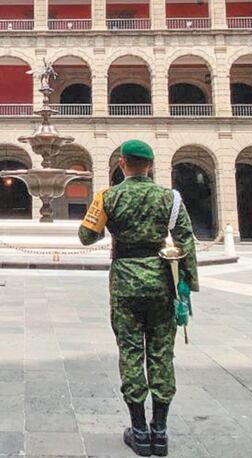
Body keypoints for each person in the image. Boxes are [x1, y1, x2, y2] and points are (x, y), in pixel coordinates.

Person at [78, 140, 199, 457]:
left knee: (131, 353)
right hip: (162, 282)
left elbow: (86, 236)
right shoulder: (169, 199)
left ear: (121, 163)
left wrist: (103, 218)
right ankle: (160, 433)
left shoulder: (108, 196)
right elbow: (186, 240)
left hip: (125, 281)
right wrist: (186, 286)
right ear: (151, 165)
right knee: (161, 354)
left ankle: (139, 432)